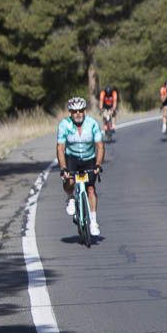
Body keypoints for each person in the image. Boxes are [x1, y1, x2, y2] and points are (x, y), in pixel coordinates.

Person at [56, 97, 105, 237]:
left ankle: (94, 221)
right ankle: (70, 197)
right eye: (74, 111)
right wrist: (63, 168)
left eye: (81, 110)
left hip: (89, 158)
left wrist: (98, 165)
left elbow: (100, 146)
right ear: (70, 112)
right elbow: (60, 148)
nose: (78, 113)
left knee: (90, 188)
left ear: (84, 111)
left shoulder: (92, 124)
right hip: (72, 158)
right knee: (69, 181)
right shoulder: (64, 125)